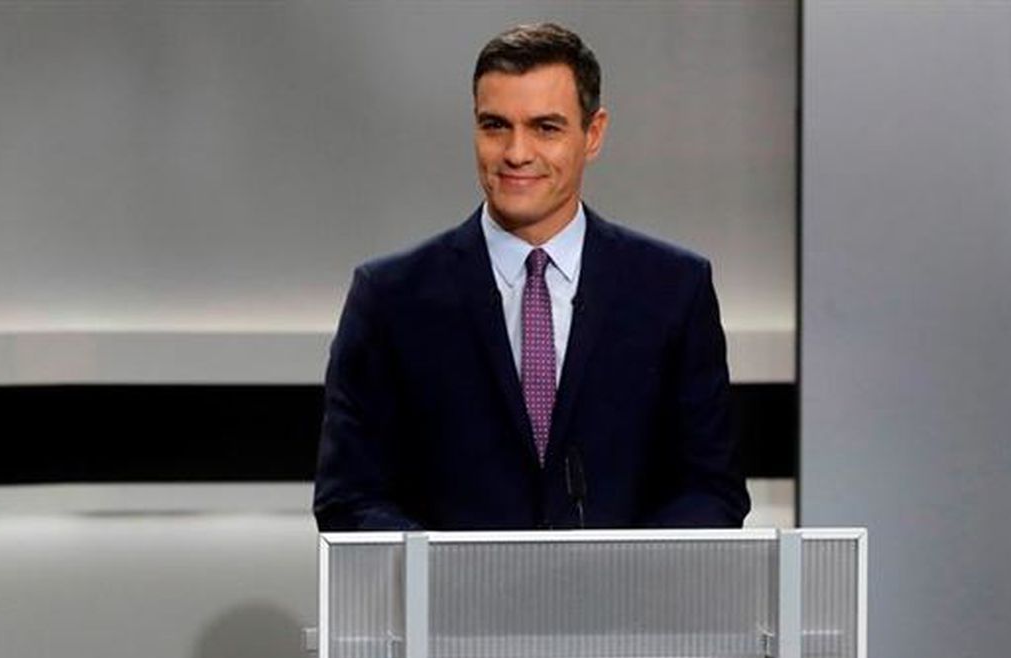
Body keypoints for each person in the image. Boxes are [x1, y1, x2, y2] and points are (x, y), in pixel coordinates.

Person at [314, 23, 749, 531]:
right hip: (450, 606)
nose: (517, 153)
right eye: (495, 125)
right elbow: (349, 498)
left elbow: (710, 489)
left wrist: (627, 583)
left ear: (593, 133)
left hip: (624, 606)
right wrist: (450, 583)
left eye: (546, 127)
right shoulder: (390, 298)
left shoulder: (674, 289)